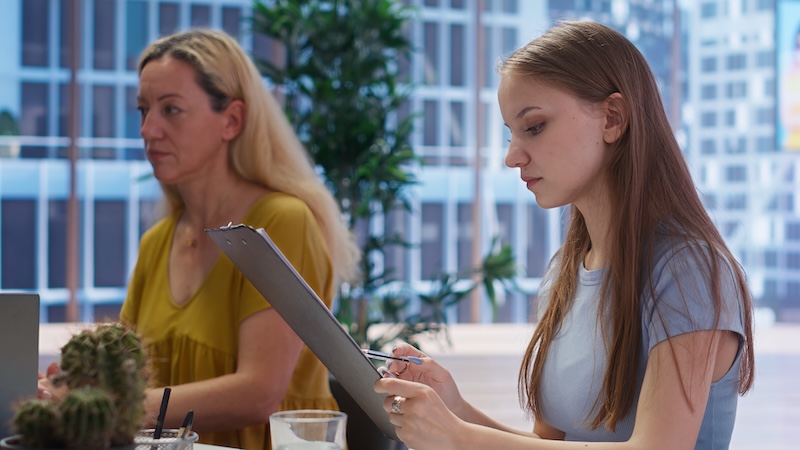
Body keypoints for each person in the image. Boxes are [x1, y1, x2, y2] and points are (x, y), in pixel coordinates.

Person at [374, 21, 754, 450]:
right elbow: (554, 443)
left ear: (612, 118)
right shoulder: (565, 272)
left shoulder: (689, 270)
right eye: (511, 133)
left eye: (533, 126)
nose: (512, 156)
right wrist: (455, 409)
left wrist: (459, 437)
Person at [42, 29, 360, 450]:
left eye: (171, 110)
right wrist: (72, 389)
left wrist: (115, 404)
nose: (148, 130)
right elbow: (123, 373)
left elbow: (258, 393)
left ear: (231, 120)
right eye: (143, 110)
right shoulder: (158, 242)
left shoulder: (282, 221)